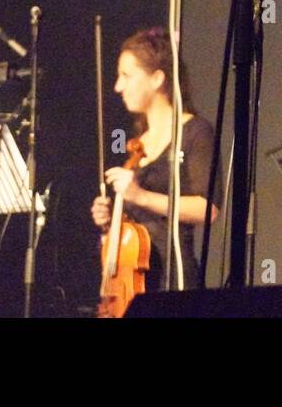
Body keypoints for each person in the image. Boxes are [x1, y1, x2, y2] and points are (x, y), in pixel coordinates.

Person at [90, 27, 220, 292]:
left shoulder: (195, 132)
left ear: (157, 78)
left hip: (174, 278)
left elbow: (209, 210)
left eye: (126, 75)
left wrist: (141, 196)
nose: (118, 86)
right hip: (135, 280)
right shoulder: (140, 142)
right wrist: (112, 219)